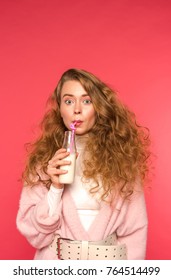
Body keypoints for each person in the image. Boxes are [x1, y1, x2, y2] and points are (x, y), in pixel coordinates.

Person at [16, 68, 151, 260]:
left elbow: (135, 231)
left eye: (86, 101)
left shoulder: (122, 161)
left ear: (98, 107)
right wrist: (55, 187)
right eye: (69, 101)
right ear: (60, 109)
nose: (77, 109)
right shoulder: (44, 162)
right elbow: (33, 233)